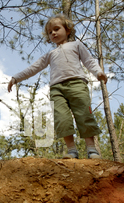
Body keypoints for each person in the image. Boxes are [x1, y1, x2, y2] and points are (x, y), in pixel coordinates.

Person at [7, 14, 108, 159]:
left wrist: (98, 72)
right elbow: (33, 68)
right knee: (62, 118)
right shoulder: (50, 54)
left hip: (77, 84)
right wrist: (16, 78)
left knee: (84, 114)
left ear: (67, 30)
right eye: (50, 32)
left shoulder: (76, 45)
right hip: (56, 89)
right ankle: (72, 150)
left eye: (56, 29)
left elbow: (89, 61)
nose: (53, 33)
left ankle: (91, 149)